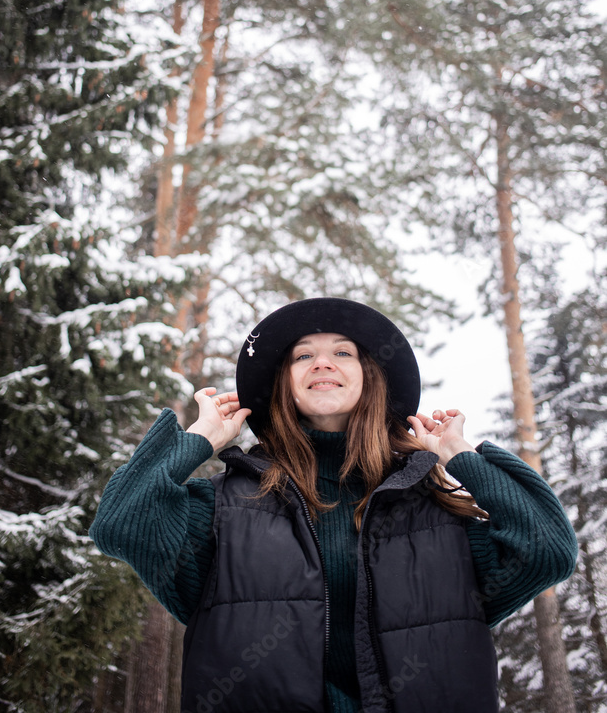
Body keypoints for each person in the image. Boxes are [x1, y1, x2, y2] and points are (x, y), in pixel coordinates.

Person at [90, 298, 577, 713]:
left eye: (342, 352)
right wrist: (199, 439)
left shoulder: (438, 514)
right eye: (303, 356)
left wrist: (461, 456)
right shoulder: (220, 508)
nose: (322, 363)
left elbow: (547, 550)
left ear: (370, 378)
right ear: (284, 384)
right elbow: (122, 523)